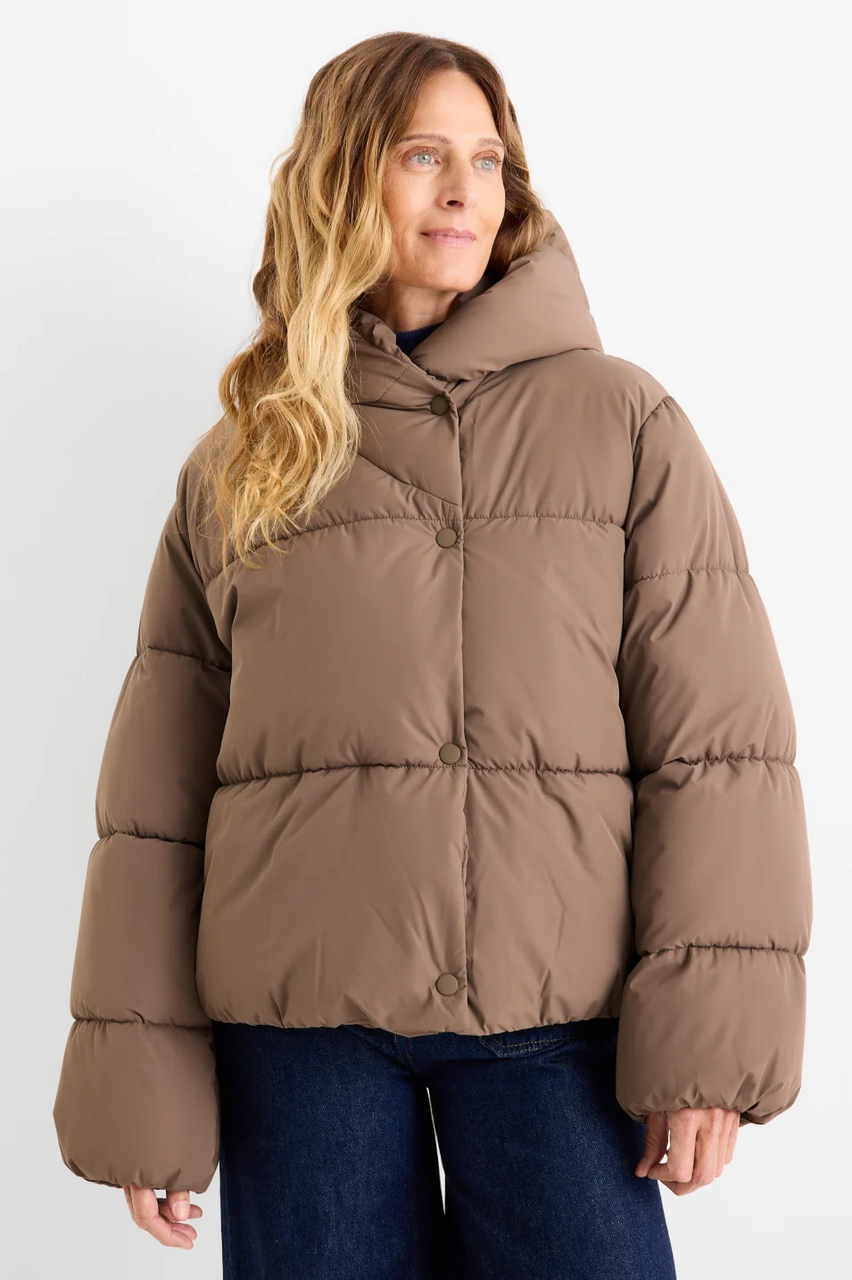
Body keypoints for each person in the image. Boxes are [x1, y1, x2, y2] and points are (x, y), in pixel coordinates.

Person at [52, 29, 813, 1280]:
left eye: (487, 160)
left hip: (552, 1023)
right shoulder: (250, 454)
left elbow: (719, 748)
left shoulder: (622, 424)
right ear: (343, 179)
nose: (465, 190)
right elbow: (155, 804)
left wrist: (707, 1045)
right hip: (302, 1035)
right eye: (422, 155)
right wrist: (142, 1088)